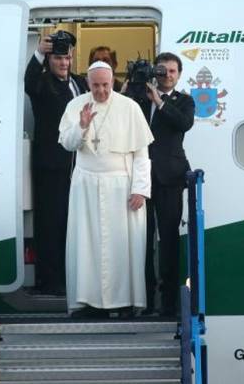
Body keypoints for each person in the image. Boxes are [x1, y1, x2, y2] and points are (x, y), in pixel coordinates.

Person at [58, 61, 154, 318]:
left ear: (113, 82)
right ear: (88, 84)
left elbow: (142, 154)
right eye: (95, 86)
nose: (101, 91)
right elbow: (67, 144)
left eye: (105, 85)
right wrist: (81, 126)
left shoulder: (129, 107)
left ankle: (125, 302)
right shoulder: (75, 105)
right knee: (86, 245)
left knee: (123, 245)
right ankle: (88, 303)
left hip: (122, 186)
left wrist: (140, 189)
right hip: (86, 186)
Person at [24, 30, 88, 296]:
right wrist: (39, 51)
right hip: (51, 165)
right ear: (50, 60)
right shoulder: (42, 83)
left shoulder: (80, 82)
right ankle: (50, 281)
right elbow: (28, 82)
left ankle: (74, 278)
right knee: (51, 223)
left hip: (78, 164)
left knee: (75, 223)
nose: (63, 63)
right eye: (58, 58)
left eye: (67, 58)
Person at [139, 52, 195, 316]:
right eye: (163, 70)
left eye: (173, 71)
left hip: (170, 179)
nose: (168, 75)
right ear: (155, 71)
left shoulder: (184, 101)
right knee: (142, 240)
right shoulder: (140, 98)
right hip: (141, 179)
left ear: (179, 74)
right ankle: (145, 300)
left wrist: (159, 102)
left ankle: (169, 303)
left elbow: (184, 124)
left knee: (169, 240)